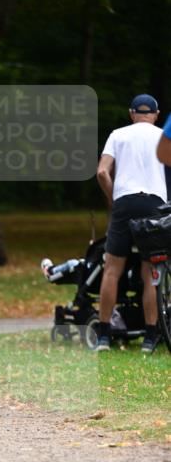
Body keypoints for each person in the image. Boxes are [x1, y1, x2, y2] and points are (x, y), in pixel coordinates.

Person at [96, 93, 167, 353]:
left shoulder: (118, 134)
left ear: (131, 113)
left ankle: (103, 335)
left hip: (125, 201)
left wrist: (114, 197)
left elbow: (102, 171)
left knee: (112, 269)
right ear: (156, 115)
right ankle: (150, 338)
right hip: (154, 205)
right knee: (151, 272)